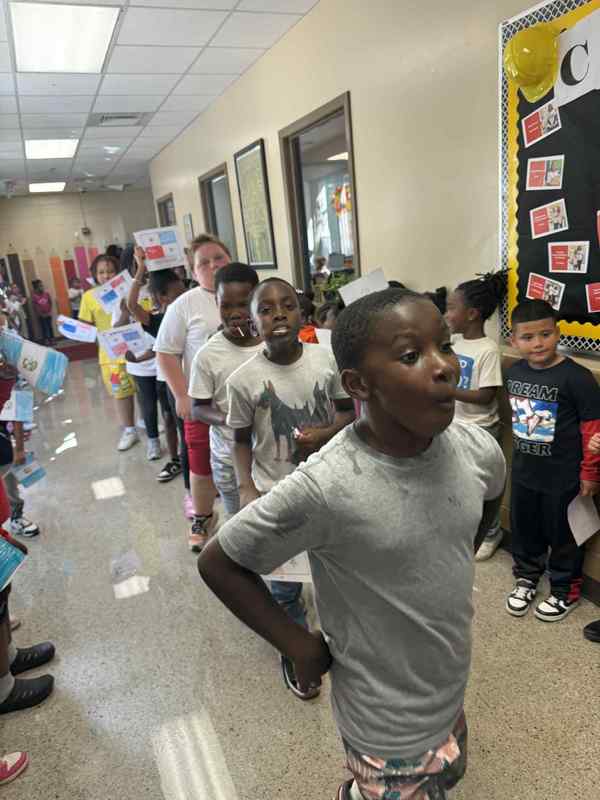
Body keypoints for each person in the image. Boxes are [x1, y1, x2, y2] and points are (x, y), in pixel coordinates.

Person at [199, 287, 505, 798]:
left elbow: (489, 493)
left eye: (445, 346)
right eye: (411, 355)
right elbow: (219, 563)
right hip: (381, 717)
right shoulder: (327, 485)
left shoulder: (474, 447)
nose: (444, 367)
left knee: (448, 772)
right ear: (358, 384)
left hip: (447, 684)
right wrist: (298, 645)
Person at [225, 277, 355, 698]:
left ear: (302, 314)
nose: (278, 314)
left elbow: (349, 412)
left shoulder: (326, 359)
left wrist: (324, 433)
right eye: (266, 309)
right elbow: (241, 439)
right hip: (275, 491)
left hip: (330, 484)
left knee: (339, 571)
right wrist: (246, 487)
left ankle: (348, 646)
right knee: (283, 588)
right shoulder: (242, 381)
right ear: (252, 321)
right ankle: (295, 647)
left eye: (287, 306)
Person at [505, 299, 600, 622]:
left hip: (565, 477)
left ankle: (565, 590)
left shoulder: (578, 377)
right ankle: (527, 577)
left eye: (545, 334)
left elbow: (592, 430)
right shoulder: (514, 371)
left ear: (558, 334)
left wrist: (590, 473)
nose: (537, 344)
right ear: (513, 340)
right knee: (525, 528)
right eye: (528, 338)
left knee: (564, 535)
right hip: (524, 472)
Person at [155, 234, 226, 539]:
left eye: (218, 258)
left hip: (247, 396)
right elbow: (165, 352)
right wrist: (181, 395)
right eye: (204, 263)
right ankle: (203, 517)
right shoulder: (183, 305)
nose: (213, 266)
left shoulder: (253, 294)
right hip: (202, 400)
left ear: (230, 258)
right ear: (193, 271)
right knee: (200, 461)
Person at [188, 263, 262, 532]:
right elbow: (198, 409)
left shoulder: (273, 344)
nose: (235, 314)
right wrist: (230, 418)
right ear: (216, 301)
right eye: (226, 305)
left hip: (271, 458)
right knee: (240, 526)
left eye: (243, 304)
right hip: (228, 460)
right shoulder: (208, 355)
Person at [445, 270, 507, 561]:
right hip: (454, 425)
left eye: (451, 308)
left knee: (482, 484)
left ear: (471, 314)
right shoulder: (453, 344)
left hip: (481, 429)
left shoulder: (488, 349)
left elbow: (485, 396)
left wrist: (448, 391)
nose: (447, 314)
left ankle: (492, 532)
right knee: (457, 481)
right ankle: (463, 526)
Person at [127, 251, 186, 476]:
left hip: (188, 379)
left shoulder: (188, 314)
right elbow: (132, 305)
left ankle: (191, 461)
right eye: (178, 294)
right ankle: (175, 460)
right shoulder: (158, 320)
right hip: (167, 381)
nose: (184, 297)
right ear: (163, 297)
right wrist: (141, 269)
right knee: (170, 420)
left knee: (186, 426)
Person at [79, 254, 139, 452]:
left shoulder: (129, 289)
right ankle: (129, 429)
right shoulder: (89, 297)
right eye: (101, 272)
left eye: (110, 271)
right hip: (110, 354)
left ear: (118, 272)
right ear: (95, 275)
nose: (106, 275)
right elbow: (85, 325)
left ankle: (148, 421)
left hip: (136, 347)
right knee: (121, 392)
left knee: (144, 388)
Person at [31, 280, 53, 345]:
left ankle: (51, 339)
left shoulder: (46, 294)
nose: (42, 287)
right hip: (41, 315)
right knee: (44, 328)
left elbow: (50, 302)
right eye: (40, 286)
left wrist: (49, 311)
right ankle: (45, 340)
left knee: (49, 327)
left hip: (48, 314)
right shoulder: (34, 296)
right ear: (36, 288)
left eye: (42, 286)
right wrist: (40, 314)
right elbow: (35, 306)